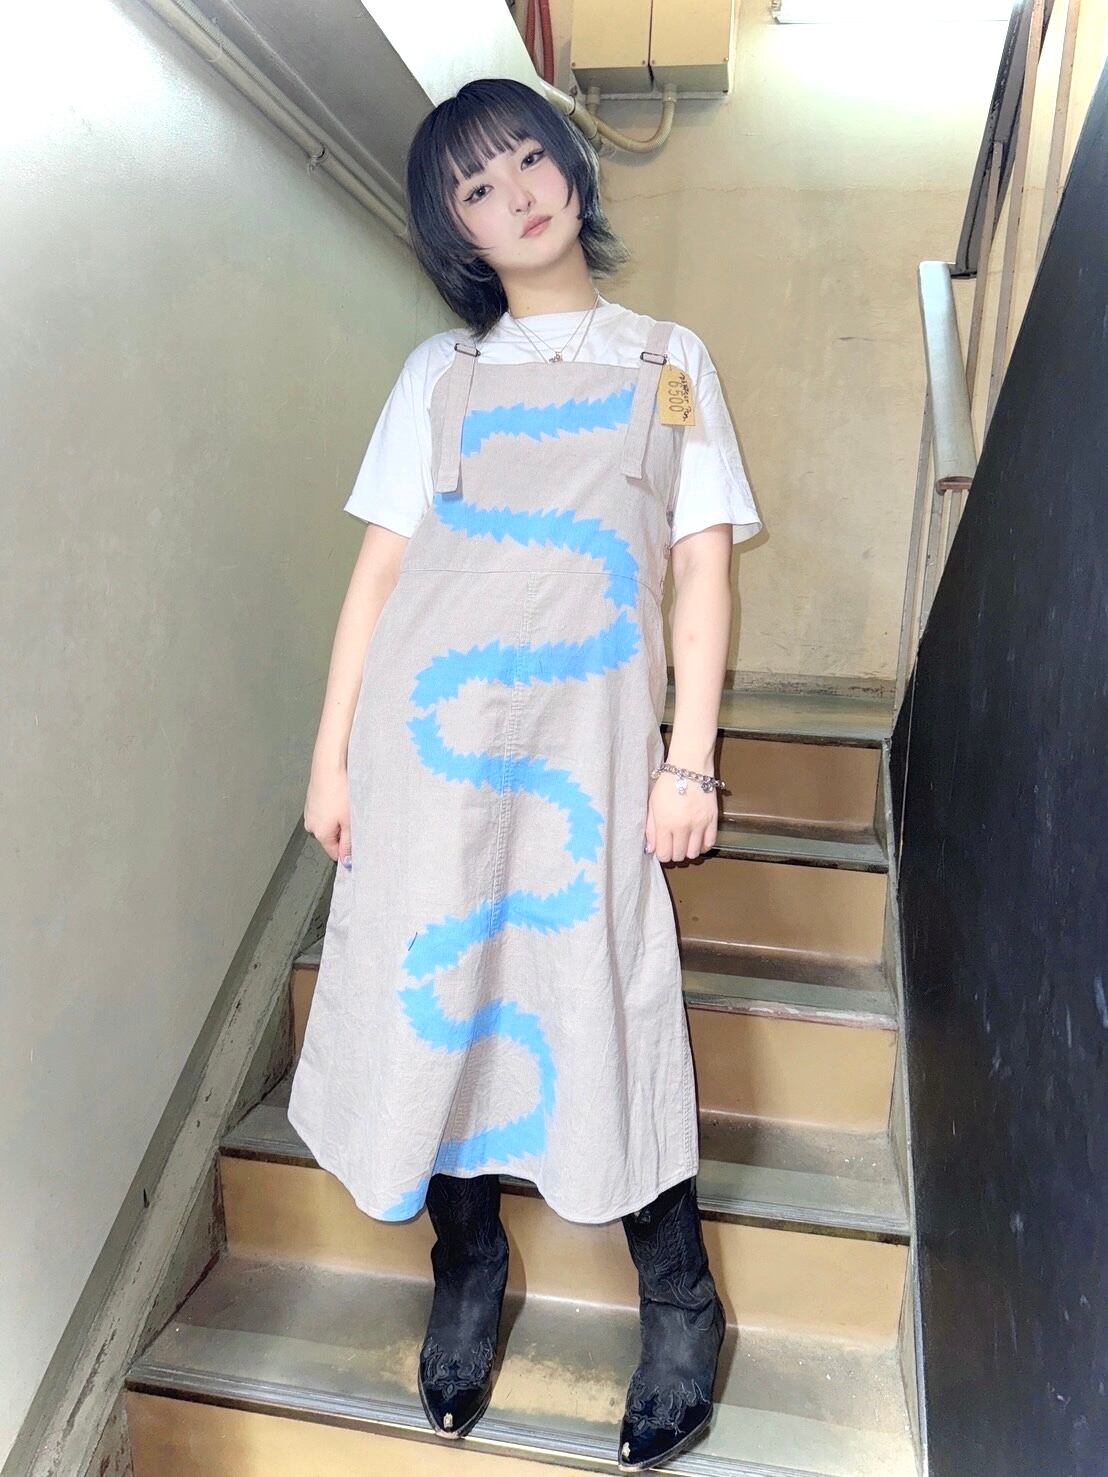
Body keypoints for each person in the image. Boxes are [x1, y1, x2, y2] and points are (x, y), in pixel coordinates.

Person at [288, 76, 762, 1472]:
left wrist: (691, 762)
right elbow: (381, 573)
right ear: (459, 233)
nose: (517, 195)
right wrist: (331, 755)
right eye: (477, 187)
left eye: (528, 160)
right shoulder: (436, 377)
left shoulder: (667, 358)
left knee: (607, 988)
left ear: (570, 166)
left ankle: (679, 1294)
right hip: (429, 752)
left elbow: (701, 566)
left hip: (592, 752)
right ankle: (467, 1263)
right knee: (444, 991)